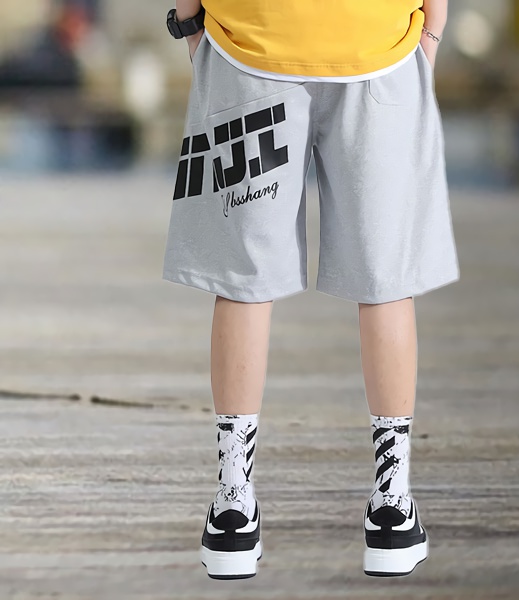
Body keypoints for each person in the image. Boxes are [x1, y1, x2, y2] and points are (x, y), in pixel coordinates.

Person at [162, 0, 459, 580]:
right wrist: (432, 31)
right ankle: (392, 508)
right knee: (386, 280)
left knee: (245, 280)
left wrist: (191, 23)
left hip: (252, 44)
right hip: (377, 46)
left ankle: (233, 508)